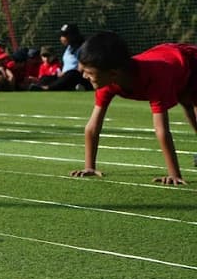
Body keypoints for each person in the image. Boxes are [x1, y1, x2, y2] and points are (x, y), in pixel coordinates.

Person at [69, 31, 196, 185]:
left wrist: (174, 174)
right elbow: (92, 126)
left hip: (190, 62)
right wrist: (89, 167)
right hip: (170, 61)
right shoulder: (108, 81)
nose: (84, 76)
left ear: (113, 73)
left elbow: (161, 130)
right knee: (187, 103)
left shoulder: (155, 78)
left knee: (192, 101)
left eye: (88, 72)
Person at [46, 23, 92, 91]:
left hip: (76, 77)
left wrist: (65, 74)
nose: (61, 38)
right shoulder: (68, 48)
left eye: (64, 35)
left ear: (73, 36)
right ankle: (36, 87)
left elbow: (80, 70)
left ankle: (48, 88)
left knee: (72, 73)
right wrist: (60, 72)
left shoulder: (83, 48)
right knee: (46, 78)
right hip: (65, 77)